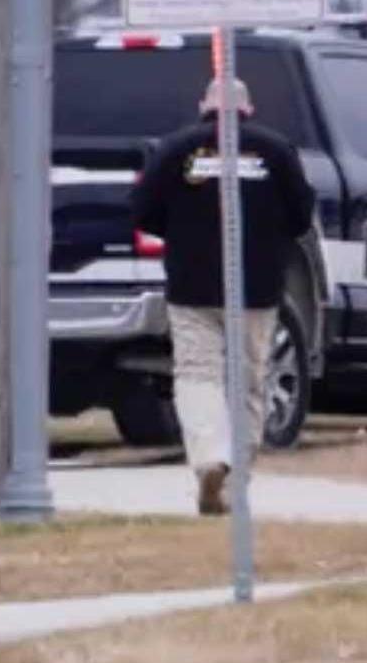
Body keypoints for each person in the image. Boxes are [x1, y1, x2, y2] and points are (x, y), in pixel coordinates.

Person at [127, 77, 315, 516]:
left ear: (204, 107)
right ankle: (237, 475)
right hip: (258, 287)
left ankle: (210, 458)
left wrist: (180, 230)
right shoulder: (276, 151)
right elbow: (301, 216)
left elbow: (141, 209)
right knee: (250, 380)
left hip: (192, 285)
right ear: (248, 108)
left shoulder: (174, 150)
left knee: (197, 375)